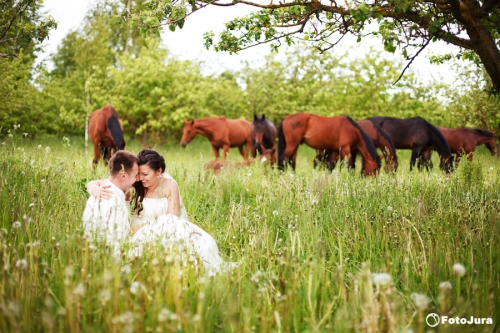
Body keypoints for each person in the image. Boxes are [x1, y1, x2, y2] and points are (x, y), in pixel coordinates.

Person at [87, 149, 237, 276]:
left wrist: (154, 226)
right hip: (138, 233)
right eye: (139, 173)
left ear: (159, 171)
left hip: (167, 228)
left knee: (186, 234)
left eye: (145, 174)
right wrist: (94, 189)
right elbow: (100, 182)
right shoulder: (134, 184)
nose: (140, 178)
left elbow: (173, 217)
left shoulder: (170, 185)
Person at [82, 150, 139, 259]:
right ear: (123, 176)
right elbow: (116, 246)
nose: (137, 179)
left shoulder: (98, 193)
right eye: (136, 175)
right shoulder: (114, 202)